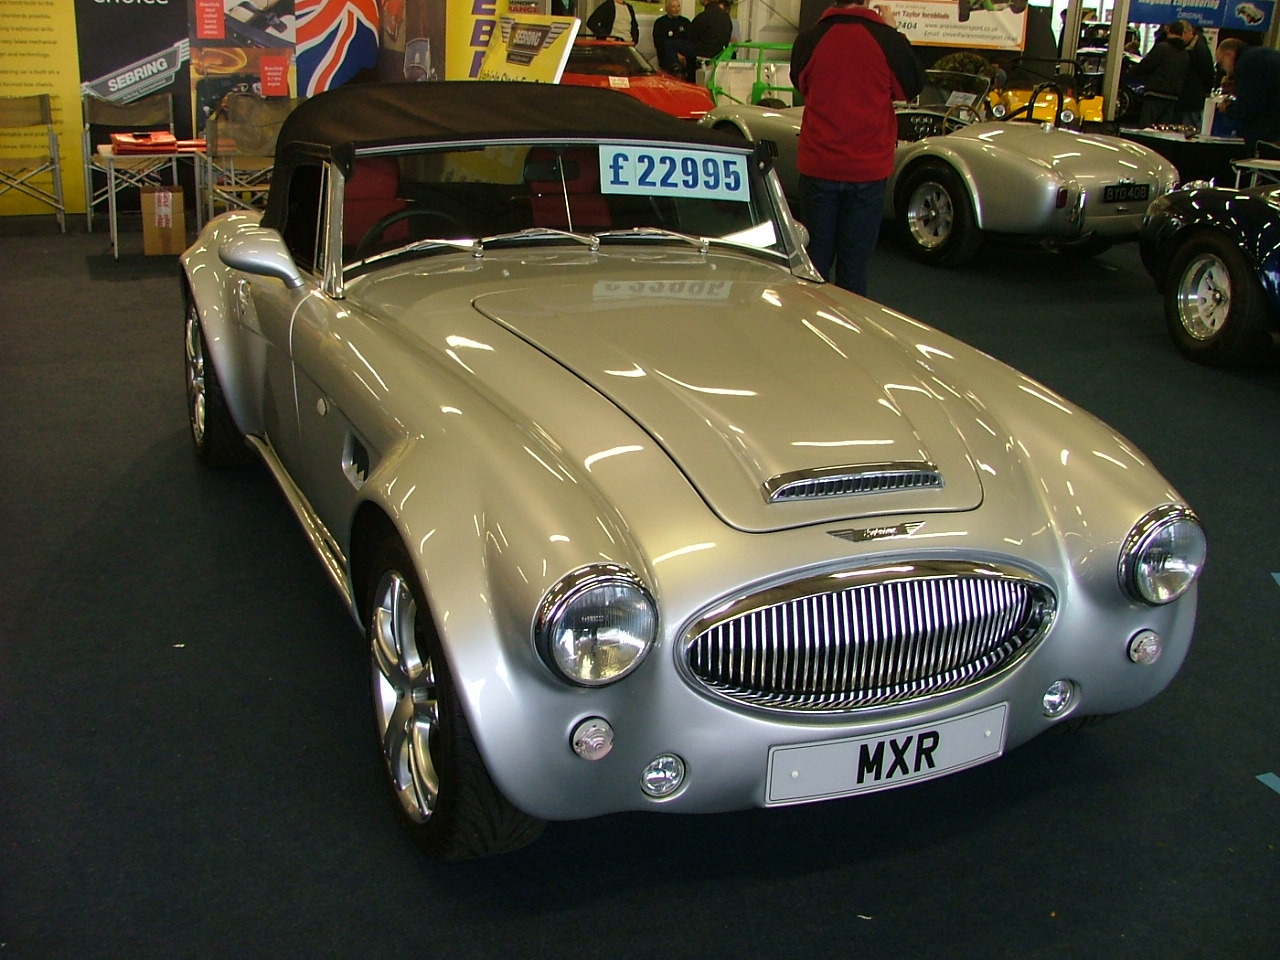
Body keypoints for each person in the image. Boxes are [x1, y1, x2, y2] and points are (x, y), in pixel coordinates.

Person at [789, 0, 923, 296]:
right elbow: (911, 85)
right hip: (867, 169)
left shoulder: (810, 39)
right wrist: (895, 32)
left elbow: (801, 84)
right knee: (854, 268)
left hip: (819, 163)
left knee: (813, 264)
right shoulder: (886, 40)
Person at [1215, 38, 1280, 151]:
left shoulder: (1246, 63)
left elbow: (1250, 105)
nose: (1223, 70)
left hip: (1271, 127)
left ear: (1229, 55)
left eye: (1220, 64)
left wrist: (1228, 108)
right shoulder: (1260, 55)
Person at [1128, 21, 1189, 127]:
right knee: (1163, 128)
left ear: (1168, 30)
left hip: (1155, 93)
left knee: (1146, 127)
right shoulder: (1185, 54)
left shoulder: (1161, 48)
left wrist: (1131, 71)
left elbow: (1146, 65)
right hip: (1173, 96)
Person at [1174, 22, 1215, 128]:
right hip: (1193, 96)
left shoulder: (1198, 49)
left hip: (1192, 96)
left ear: (1188, 33)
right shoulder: (1196, 46)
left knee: (1189, 127)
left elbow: (1207, 72)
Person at [652, 0, 694, 78]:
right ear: (667, 8)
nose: (676, 9)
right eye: (673, 6)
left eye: (678, 6)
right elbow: (659, 44)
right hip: (667, 59)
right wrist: (676, 55)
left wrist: (684, 56)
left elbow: (690, 41)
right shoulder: (660, 23)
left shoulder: (685, 22)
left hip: (685, 57)